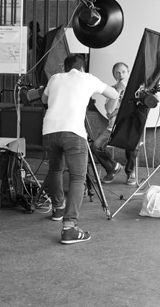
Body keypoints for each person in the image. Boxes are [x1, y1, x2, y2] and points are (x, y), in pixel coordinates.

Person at [41, 55, 119, 244]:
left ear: (64, 67)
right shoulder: (88, 78)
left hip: (49, 130)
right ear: (82, 68)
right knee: (77, 178)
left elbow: (44, 99)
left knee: (55, 170)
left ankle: (58, 209)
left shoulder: (55, 78)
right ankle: (69, 228)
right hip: (74, 132)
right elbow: (114, 95)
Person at [92, 62, 138, 185]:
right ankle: (112, 167)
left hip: (129, 127)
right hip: (113, 127)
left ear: (128, 73)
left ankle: (130, 172)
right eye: (117, 72)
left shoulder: (135, 90)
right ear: (114, 75)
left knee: (133, 143)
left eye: (123, 72)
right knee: (96, 146)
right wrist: (118, 90)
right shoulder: (111, 90)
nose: (121, 74)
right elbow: (110, 110)